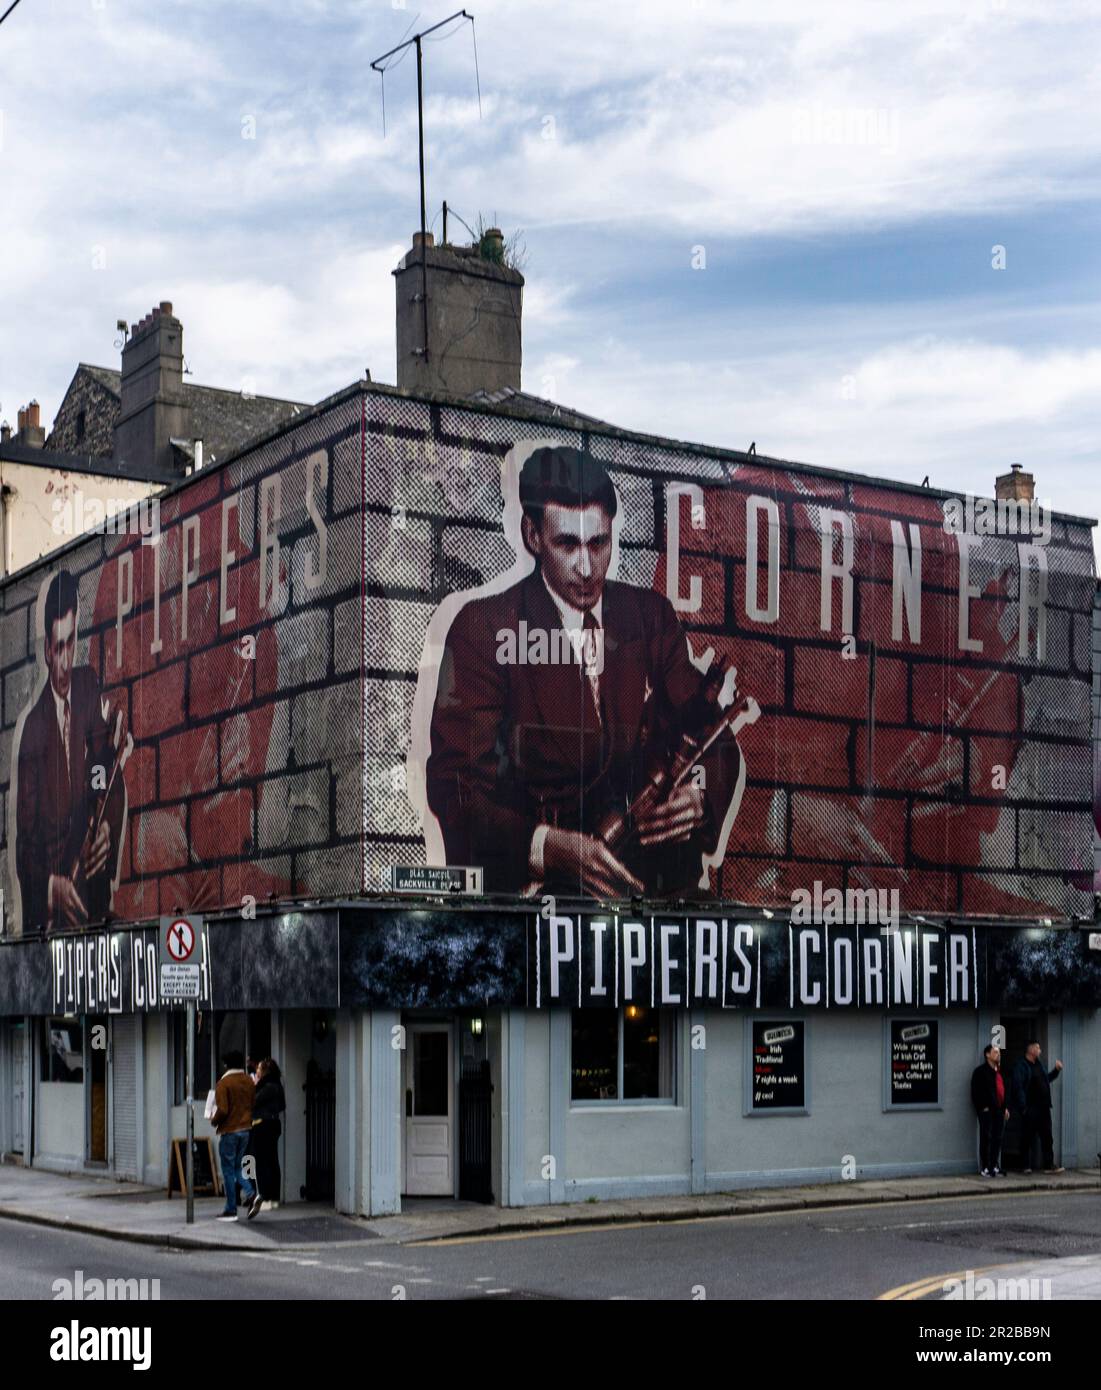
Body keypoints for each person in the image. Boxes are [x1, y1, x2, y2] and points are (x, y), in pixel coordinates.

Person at [426, 446, 742, 897]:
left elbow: (714, 736)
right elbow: (456, 787)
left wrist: (700, 798)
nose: (587, 567)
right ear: (532, 536)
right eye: (567, 544)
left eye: (599, 543)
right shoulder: (485, 628)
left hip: (655, 896)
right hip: (544, 909)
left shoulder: (649, 618)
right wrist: (547, 847)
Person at [14, 569, 127, 932]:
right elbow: (24, 847)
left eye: (71, 641)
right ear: (47, 648)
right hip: (55, 924)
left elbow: (101, 767)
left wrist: (104, 827)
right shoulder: (32, 730)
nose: (65, 661)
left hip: (92, 908)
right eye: (58, 647)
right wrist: (50, 887)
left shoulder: (88, 686)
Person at [211, 1050, 261, 1220]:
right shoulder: (249, 1081)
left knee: (228, 1170)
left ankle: (232, 1207)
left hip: (229, 1131)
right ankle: (252, 1193)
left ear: (226, 1064)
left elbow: (223, 1109)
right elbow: (253, 1103)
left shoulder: (224, 1083)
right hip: (246, 1129)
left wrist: (214, 1119)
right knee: (238, 1167)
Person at [1011, 1040, 1065, 1174]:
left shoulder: (1039, 1065)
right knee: (1027, 1137)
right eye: (1038, 1048)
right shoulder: (1021, 1066)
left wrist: (1056, 1071)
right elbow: (1018, 1087)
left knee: (1047, 1137)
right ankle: (1024, 1165)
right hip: (1030, 1108)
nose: (1040, 1050)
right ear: (1031, 1050)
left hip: (1044, 1108)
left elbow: (1046, 1079)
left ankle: (1049, 1165)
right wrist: (1023, 1108)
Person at [248, 1058, 286, 1210]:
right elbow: (282, 1105)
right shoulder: (277, 1085)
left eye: (258, 1069)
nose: (256, 1072)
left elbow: (253, 1102)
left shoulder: (267, 1086)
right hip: (273, 1124)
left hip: (262, 1125)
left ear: (265, 1071)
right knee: (272, 1161)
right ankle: (274, 1197)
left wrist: (254, 1086)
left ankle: (265, 1197)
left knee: (262, 1163)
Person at [970, 1044, 1010, 1177]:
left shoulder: (999, 1072)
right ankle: (985, 1167)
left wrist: (1005, 1108)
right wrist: (982, 1108)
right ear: (987, 1054)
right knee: (986, 1138)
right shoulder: (980, 1072)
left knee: (997, 1139)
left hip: (999, 1110)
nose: (998, 1054)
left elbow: (1003, 1091)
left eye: (999, 1052)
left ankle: (994, 1165)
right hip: (987, 1111)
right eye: (995, 1052)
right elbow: (975, 1091)